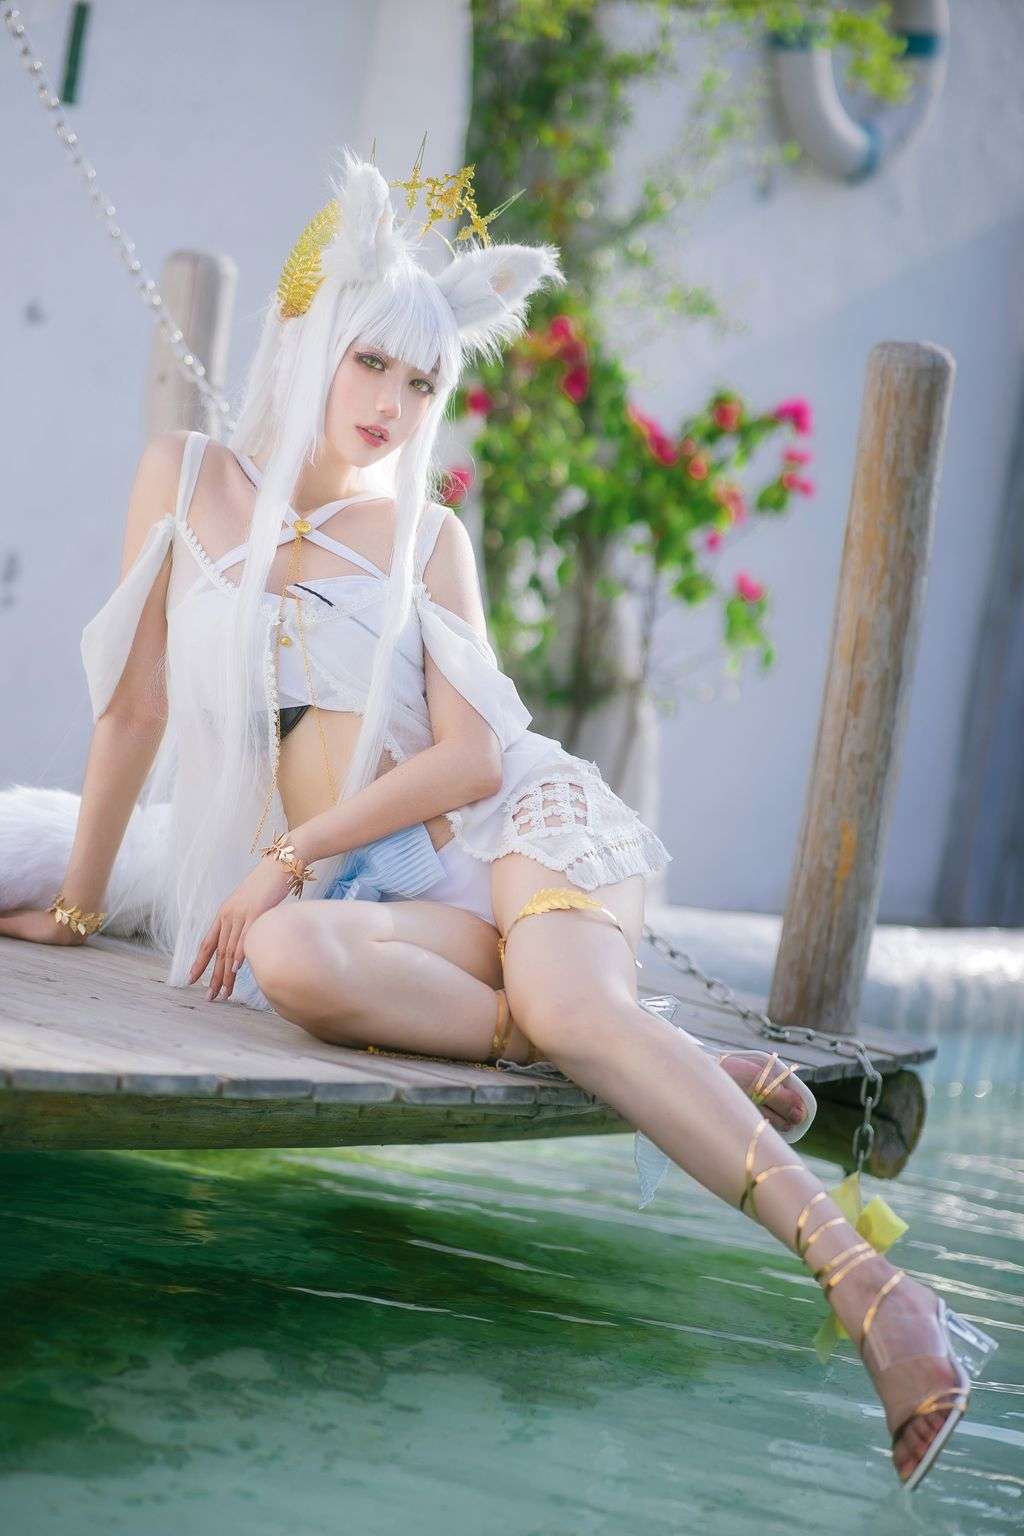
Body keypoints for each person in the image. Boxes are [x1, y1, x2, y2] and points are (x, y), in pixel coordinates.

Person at [0, 147, 994, 1489]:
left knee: (567, 1006)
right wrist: (76, 907)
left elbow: (474, 761)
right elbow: (132, 713)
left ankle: (873, 1288)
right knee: (288, 957)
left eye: (422, 383)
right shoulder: (186, 479)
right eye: (372, 364)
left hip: (521, 832)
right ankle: (655, 1055)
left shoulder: (428, 537)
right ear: (309, 342)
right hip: (380, 904)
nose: (393, 405)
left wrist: (288, 851)